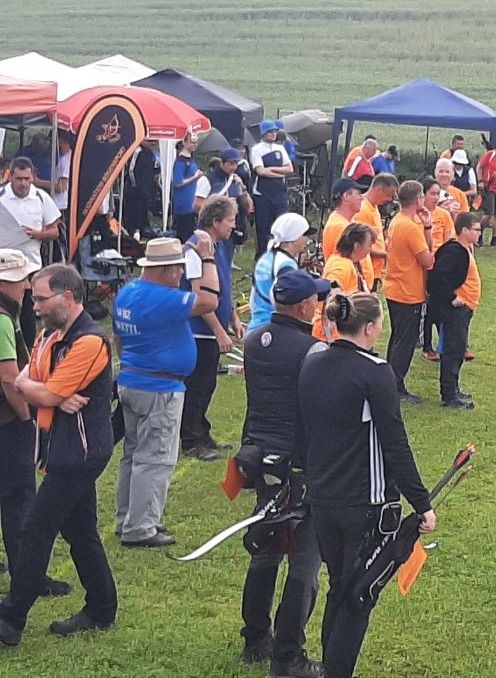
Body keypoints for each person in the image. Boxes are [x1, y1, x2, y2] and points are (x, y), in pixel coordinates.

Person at [297, 290, 435, 678]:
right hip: (365, 506)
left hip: (324, 499)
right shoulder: (374, 371)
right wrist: (422, 504)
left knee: (342, 588)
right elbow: (394, 442)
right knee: (359, 595)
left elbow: (302, 431)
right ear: (370, 328)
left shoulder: (313, 362)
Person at [0, 264, 117, 646]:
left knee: (35, 529)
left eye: (41, 299)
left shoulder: (90, 341)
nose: (35, 306)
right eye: (33, 298)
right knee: (80, 530)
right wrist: (50, 392)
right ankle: (102, 608)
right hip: (62, 447)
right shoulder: (50, 336)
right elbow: (24, 379)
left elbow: (40, 389)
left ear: (67, 296)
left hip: (81, 452)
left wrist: (49, 392)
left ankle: (10, 619)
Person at [240, 269, 330, 678]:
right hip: (300, 466)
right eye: (315, 300)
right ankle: (288, 655)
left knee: (266, 549)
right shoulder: (313, 351)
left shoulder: (254, 340)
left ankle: (256, 637)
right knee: (305, 564)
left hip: (261, 460)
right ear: (304, 307)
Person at [114, 237, 219, 548]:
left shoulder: (128, 292)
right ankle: (141, 527)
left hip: (133, 379)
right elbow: (209, 301)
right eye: (179, 269)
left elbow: (119, 338)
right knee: (155, 458)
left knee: (133, 455)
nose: (182, 275)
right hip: (159, 387)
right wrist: (207, 259)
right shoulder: (161, 297)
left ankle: (128, 518)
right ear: (168, 269)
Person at [0, 251, 69, 600]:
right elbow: (8, 376)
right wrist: (27, 418)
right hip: (8, 422)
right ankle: (28, 575)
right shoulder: (2, 319)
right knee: (19, 500)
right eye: (21, 279)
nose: (27, 286)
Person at [180, 196, 243, 461]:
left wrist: (233, 316)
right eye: (230, 220)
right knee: (197, 386)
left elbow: (223, 286)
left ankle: (202, 433)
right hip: (198, 331)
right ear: (215, 221)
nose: (234, 225)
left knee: (207, 384)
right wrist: (218, 330)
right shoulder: (195, 249)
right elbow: (200, 298)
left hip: (209, 330)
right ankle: (191, 440)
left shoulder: (219, 246)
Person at [382, 181, 434, 404]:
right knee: (405, 341)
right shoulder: (410, 227)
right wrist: (427, 231)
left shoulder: (398, 221)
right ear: (418, 199)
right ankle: (396, 386)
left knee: (397, 337)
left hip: (395, 287)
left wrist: (428, 227)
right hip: (407, 291)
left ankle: (389, 382)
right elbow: (427, 260)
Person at [0, 157, 61, 346]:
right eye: (19, 179)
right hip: (4, 265)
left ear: (33, 176)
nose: (23, 183)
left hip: (30, 265)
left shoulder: (41, 197)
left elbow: (55, 231)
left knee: (28, 312)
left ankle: (27, 350)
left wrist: (37, 234)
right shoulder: (1, 195)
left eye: (27, 179)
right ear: (11, 176)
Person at [427, 213, 481, 410]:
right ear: (464, 230)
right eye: (476, 229)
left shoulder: (464, 249)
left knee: (458, 349)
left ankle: (454, 389)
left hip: (464, 308)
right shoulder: (454, 251)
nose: (479, 233)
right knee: (453, 350)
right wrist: (452, 297)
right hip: (455, 309)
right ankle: (449, 395)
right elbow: (436, 278)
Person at [313, 223, 375, 342]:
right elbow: (330, 299)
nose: (370, 249)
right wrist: (331, 335)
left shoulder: (345, 261)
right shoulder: (341, 266)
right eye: (369, 245)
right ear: (357, 246)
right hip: (332, 336)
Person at [249, 213, 310, 332]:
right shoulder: (286, 264)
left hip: (256, 326)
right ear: (295, 238)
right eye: (305, 235)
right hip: (272, 329)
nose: (308, 240)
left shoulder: (266, 258)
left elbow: (253, 295)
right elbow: (291, 300)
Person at [419, 178, 455, 361]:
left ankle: (446, 343)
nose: (435, 197)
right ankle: (426, 345)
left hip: (440, 267)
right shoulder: (417, 215)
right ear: (422, 195)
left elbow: (449, 240)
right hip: (424, 264)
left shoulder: (444, 215)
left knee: (441, 305)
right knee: (428, 307)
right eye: (432, 194)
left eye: (437, 194)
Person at [195, 149, 251, 263]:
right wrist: (219, 207)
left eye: (236, 163)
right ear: (222, 162)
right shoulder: (207, 180)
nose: (234, 167)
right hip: (212, 229)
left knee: (226, 262)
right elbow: (197, 206)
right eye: (231, 163)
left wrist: (243, 188)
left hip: (230, 228)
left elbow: (249, 206)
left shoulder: (235, 180)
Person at [251, 120, 294, 261]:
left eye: (275, 132)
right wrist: (280, 174)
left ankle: (280, 254)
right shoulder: (256, 149)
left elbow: (290, 169)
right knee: (263, 227)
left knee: (282, 223)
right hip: (263, 193)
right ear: (264, 133)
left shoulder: (280, 148)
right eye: (270, 132)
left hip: (279, 192)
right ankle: (263, 256)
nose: (273, 134)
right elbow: (261, 171)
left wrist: (273, 170)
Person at [353, 173, 399, 289]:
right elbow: (362, 245)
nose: (389, 200)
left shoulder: (374, 207)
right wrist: (388, 255)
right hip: (365, 271)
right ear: (378, 189)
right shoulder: (362, 209)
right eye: (388, 195)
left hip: (375, 271)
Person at [123, 139, 159, 238]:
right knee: (134, 214)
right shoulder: (137, 151)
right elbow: (131, 170)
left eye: (154, 141)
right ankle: (134, 232)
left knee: (143, 212)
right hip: (135, 191)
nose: (153, 143)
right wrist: (136, 185)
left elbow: (153, 171)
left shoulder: (151, 154)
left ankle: (143, 231)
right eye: (150, 141)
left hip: (146, 191)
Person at [172, 136, 202, 243]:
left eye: (196, 142)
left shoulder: (191, 160)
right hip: (184, 203)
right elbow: (178, 182)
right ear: (184, 143)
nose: (195, 145)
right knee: (184, 235)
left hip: (191, 201)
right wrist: (195, 177)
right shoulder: (180, 161)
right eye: (192, 142)